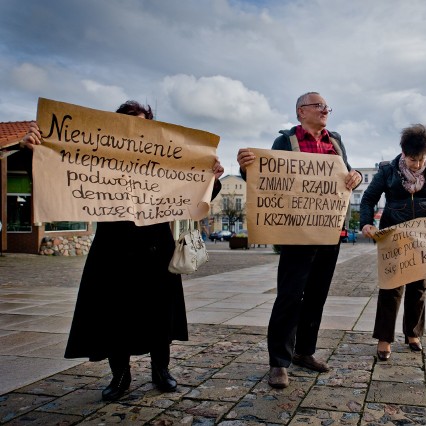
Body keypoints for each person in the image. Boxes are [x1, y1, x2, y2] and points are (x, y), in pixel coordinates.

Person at [21, 100, 224, 401]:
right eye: (129, 122)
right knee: (114, 314)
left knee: (159, 314)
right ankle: (120, 375)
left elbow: (193, 194)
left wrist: (213, 178)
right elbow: (54, 174)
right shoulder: (98, 157)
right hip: (112, 250)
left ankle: (161, 370)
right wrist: (31, 153)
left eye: (142, 122)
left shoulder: (164, 159)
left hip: (156, 250)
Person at [236, 91, 362, 388]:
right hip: (297, 231)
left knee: (316, 295)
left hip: (330, 230)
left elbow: (347, 173)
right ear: (300, 112)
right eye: (318, 105)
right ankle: (278, 362)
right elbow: (266, 177)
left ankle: (304, 352)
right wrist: (245, 167)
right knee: (290, 296)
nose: (325, 110)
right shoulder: (285, 141)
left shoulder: (336, 140)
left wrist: (355, 175)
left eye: (327, 106)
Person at [360, 124, 426, 361]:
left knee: (419, 285)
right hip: (394, 234)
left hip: (423, 234)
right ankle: (385, 338)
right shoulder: (387, 170)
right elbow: (368, 198)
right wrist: (366, 223)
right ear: (403, 152)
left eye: (421, 159)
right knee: (391, 286)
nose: (417, 165)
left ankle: (413, 334)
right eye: (412, 159)